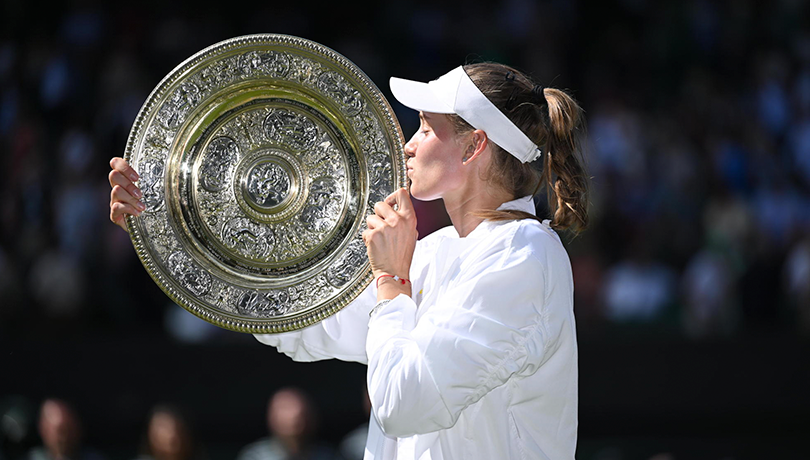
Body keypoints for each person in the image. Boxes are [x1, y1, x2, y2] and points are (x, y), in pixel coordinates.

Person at [109, 62, 589, 459]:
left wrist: (391, 279)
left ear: (473, 146)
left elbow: (405, 403)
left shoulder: (523, 256)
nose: (409, 143)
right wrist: (170, 221)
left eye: (425, 127)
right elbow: (309, 319)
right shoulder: (442, 251)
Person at [236, 387, 337, 460]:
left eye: (302, 415)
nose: (292, 417)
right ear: (271, 417)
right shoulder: (256, 456)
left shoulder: (328, 455)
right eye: (285, 409)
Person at [27, 399, 105, 460]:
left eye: (69, 430)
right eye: (60, 431)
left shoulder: (94, 458)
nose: (64, 438)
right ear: (43, 430)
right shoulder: (31, 458)